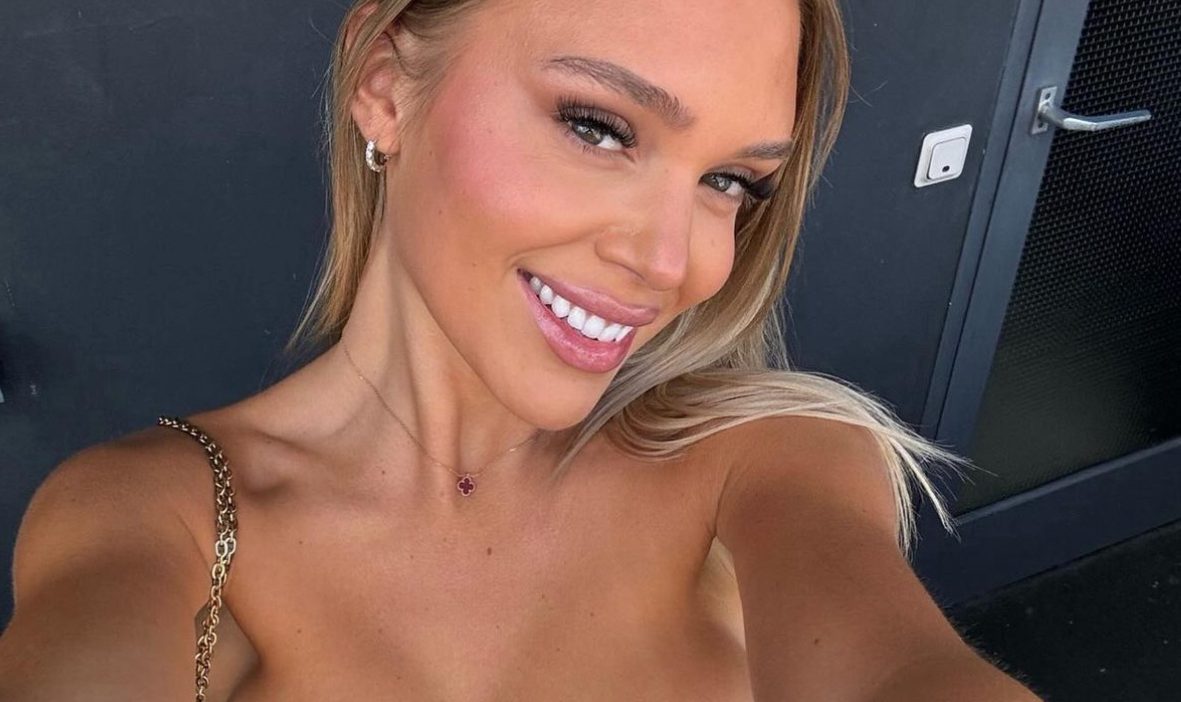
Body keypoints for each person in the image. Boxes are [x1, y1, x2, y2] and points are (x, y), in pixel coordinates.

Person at [0, 0, 1044, 699]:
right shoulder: (162, 515)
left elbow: (896, 675)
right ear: (385, 85)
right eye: (598, 126)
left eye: (729, 182)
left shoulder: (763, 461)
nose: (668, 260)